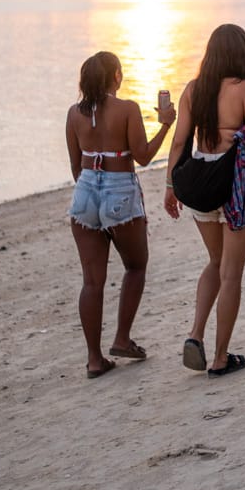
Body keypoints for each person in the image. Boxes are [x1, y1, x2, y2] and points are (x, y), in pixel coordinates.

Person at [164, 24, 245, 378]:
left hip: (200, 183)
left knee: (215, 262)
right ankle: (219, 357)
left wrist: (170, 185)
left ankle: (195, 334)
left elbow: (178, 143)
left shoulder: (193, 89)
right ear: (241, 53)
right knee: (231, 274)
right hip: (234, 187)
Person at [65, 51, 175, 379]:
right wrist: (166, 126)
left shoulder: (74, 113)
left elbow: (75, 165)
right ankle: (123, 338)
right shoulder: (128, 109)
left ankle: (95, 360)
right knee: (136, 266)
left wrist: (91, 188)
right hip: (119, 191)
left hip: (84, 191)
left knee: (92, 282)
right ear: (115, 76)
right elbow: (143, 157)